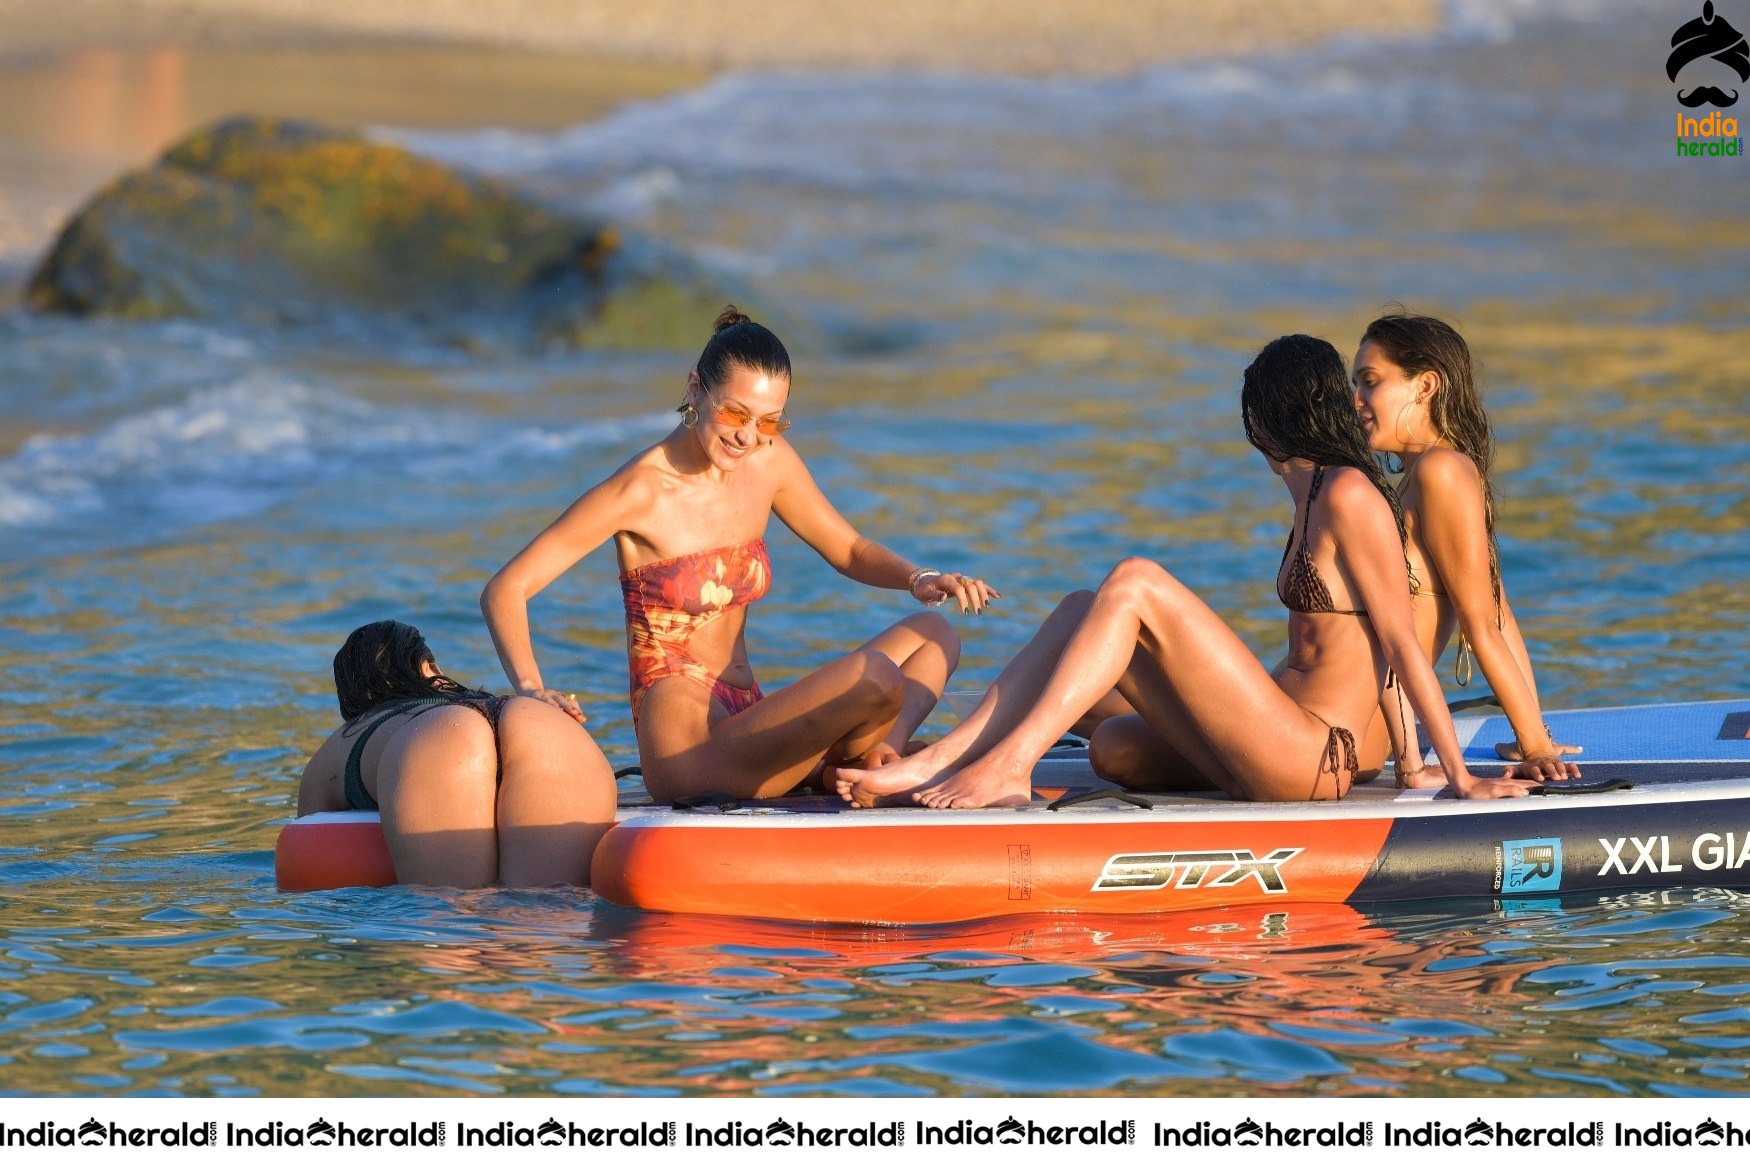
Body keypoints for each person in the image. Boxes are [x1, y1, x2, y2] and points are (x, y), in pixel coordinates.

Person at [836, 334, 1552, 809]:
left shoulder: (1352, 495)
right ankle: (943, 763)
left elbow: (1397, 643)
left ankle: (1008, 765)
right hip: (1283, 732)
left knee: (1137, 579)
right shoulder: (1309, 492)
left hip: (1315, 754)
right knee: (1102, 693)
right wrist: (1412, 767)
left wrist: (1444, 775)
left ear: (1274, 420)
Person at [480, 305, 997, 802]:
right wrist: (531, 689)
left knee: (935, 633)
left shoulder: (768, 463)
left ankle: (876, 757)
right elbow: (506, 589)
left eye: (769, 422)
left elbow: (849, 548)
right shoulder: (640, 490)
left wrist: (920, 578)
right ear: (694, 388)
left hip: (750, 712)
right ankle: (868, 765)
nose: (748, 437)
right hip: (685, 739)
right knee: (876, 675)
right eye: (735, 413)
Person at [1351, 313, 1580, 785]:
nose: (1355, 401)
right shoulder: (1420, 478)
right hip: (1354, 722)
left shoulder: (1441, 472)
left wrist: (1535, 743)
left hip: (1349, 727)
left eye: (1369, 382)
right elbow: (1498, 612)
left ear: (1425, 386)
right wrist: (1530, 732)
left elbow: (1485, 621)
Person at [298, 620, 615, 887]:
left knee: (454, 926)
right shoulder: (483, 700)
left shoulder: (345, 738)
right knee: (547, 916)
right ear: (427, 667)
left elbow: (306, 850)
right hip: (541, 723)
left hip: (437, 738)